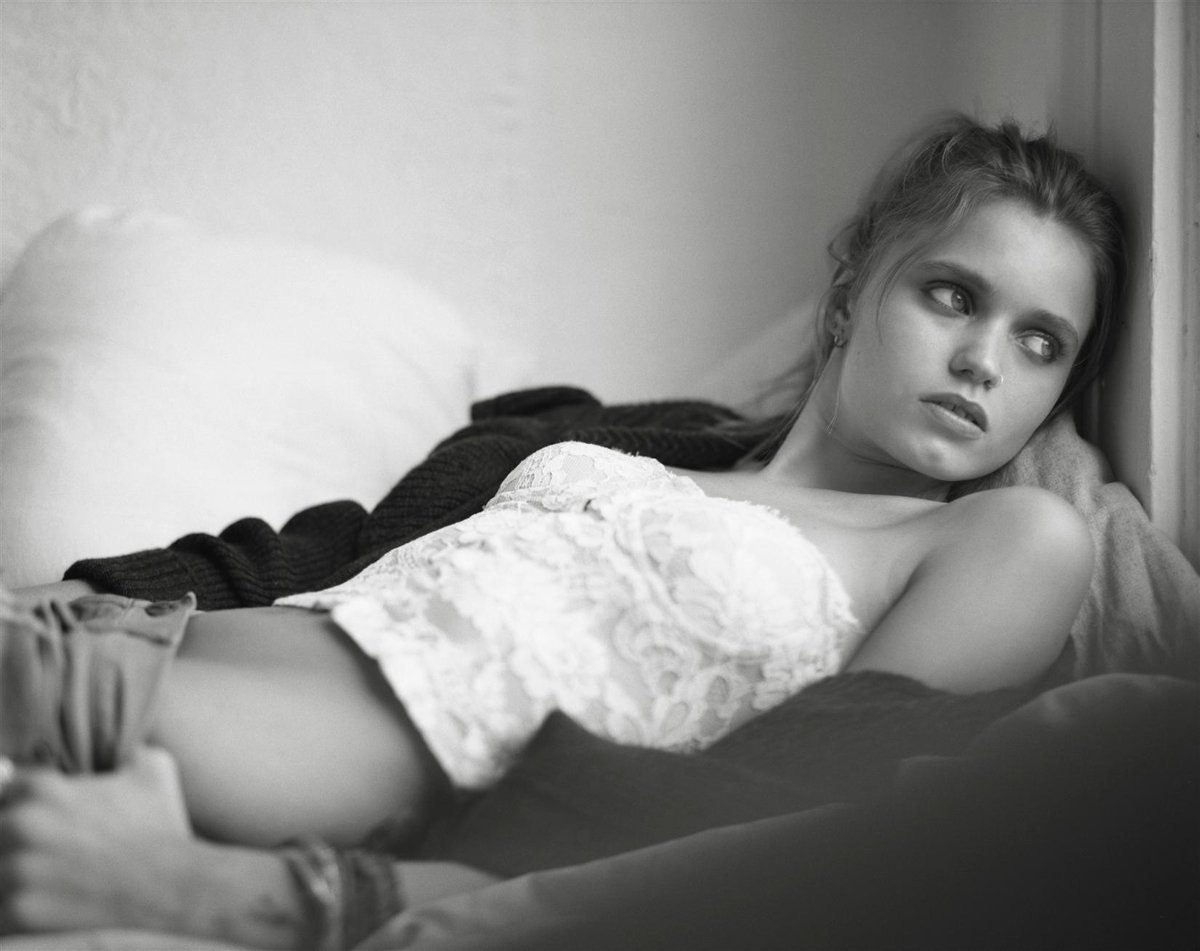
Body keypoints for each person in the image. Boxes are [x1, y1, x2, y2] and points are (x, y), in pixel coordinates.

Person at [0, 113, 1126, 949]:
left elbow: (788, 808)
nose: (984, 361)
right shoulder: (626, 437)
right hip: (112, 640)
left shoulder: (1011, 540)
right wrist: (75, 594)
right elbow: (334, 549)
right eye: (953, 295)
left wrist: (283, 900)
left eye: (1042, 343)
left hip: (210, 749)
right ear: (846, 301)